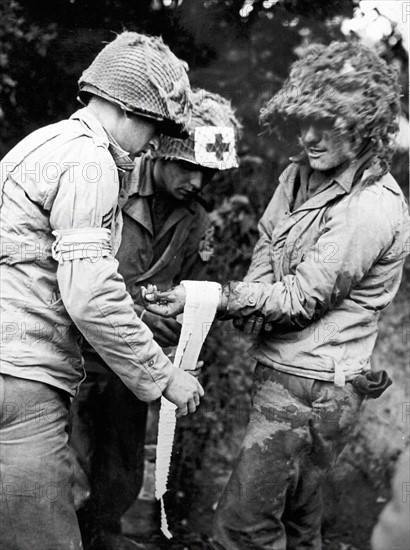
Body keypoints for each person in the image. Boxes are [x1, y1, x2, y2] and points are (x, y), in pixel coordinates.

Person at [143, 41, 410, 549]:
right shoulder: (299, 174)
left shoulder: (372, 207)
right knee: (292, 519)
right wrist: (252, 299)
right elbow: (269, 240)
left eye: (325, 122)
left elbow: (302, 298)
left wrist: (220, 299)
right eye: (303, 120)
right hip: (284, 373)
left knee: (245, 528)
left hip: (315, 388)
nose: (308, 136)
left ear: (364, 123)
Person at [0, 31, 205, 550]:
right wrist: (164, 376)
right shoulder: (92, 162)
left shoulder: (39, 144)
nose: (155, 141)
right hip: (24, 377)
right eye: (155, 125)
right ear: (122, 106)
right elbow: (90, 293)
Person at [70, 88, 241, 549]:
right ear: (162, 151)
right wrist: (143, 312)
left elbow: (187, 302)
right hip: (77, 354)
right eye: (187, 167)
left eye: (206, 172)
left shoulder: (197, 223)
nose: (197, 182)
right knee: (64, 466)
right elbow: (82, 281)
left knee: (122, 468)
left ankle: (102, 535)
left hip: (135, 363)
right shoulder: (110, 182)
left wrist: (178, 342)